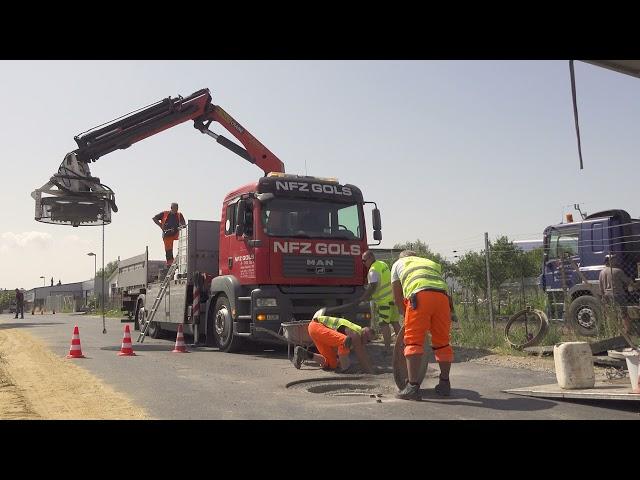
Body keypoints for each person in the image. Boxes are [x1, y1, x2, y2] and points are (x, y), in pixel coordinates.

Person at [391, 250, 453, 400]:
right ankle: (445, 384)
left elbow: (397, 295)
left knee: (413, 341)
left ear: (403, 257)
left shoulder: (398, 264)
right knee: (442, 343)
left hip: (419, 297)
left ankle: (412, 387)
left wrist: (405, 316)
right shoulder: (430, 262)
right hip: (443, 298)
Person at [292, 308, 375, 374]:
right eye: (368, 340)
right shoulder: (356, 334)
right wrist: (370, 373)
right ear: (364, 334)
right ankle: (346, 369)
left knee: (332, 364)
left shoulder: (357, 332)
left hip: (314, 329)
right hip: (317, 326)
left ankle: (304, 353)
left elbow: (361, 353)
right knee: (346, 341)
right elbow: (361, 355)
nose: (367, 343)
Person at [362, 251, 401, 354]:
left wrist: (365, 297)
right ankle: (404, 345)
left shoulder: (373, 270)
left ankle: (387, 349)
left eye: (364, 261)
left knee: (384, 324)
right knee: (395, 323)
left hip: (384, 302)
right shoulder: (382, 264)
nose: (363, 263)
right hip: (393, 299)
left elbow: (373, 286)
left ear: (370, 258)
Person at [599, 254, 638, 333]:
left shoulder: (602, 272)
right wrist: (634, 284)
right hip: (618, 294)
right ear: (610, 261)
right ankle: (628, 331)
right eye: (614, 259)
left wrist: (603, 296)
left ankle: (612, 330)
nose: (616, 260)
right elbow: (627, 281)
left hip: (607, 295)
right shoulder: (617, 271)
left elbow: (601, 286)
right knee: (623, 313)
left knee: (610, 313)